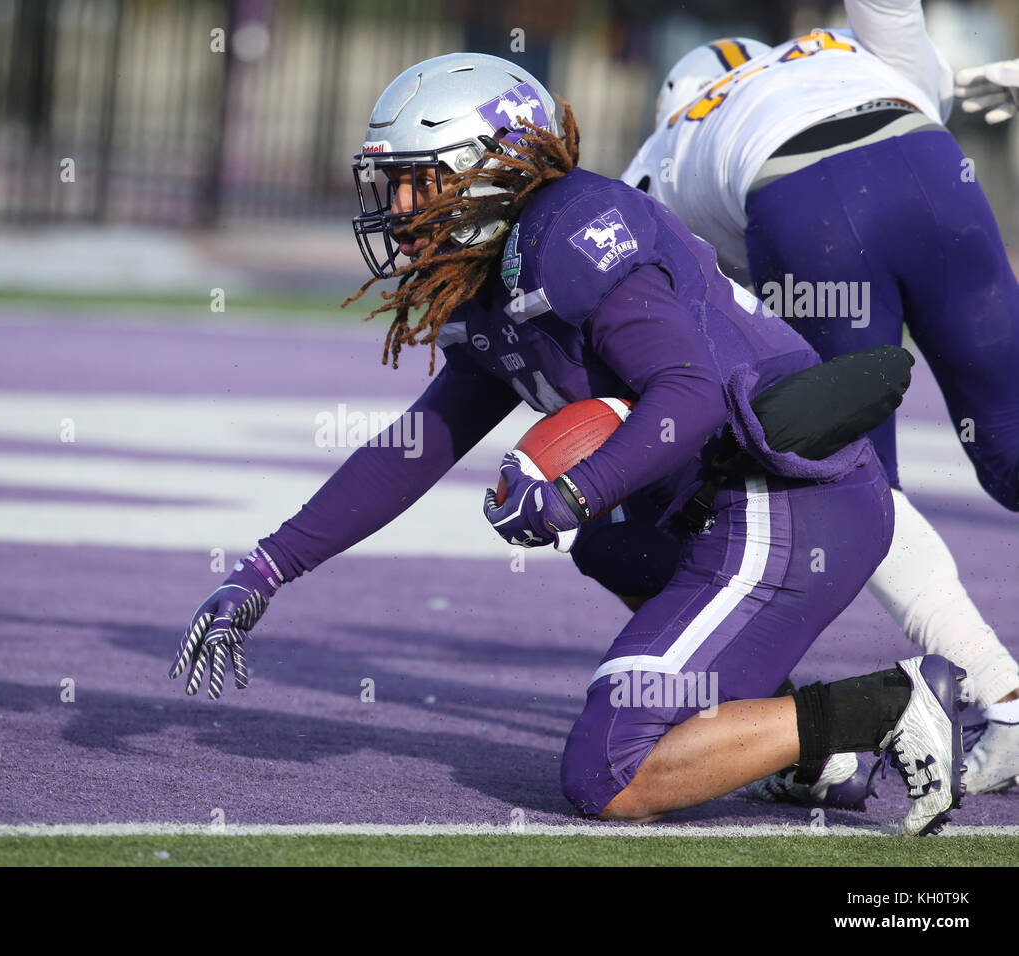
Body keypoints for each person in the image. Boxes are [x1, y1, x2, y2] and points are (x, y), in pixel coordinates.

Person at [171, 53, 966, 834]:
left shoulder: (569, 231)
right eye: (393, 184)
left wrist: (573, 492)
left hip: (783, 495)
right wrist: (268, 568)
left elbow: (689, 392)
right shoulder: (493, 286)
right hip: (722, 501)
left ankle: (890, 703)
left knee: (608, 773)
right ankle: (802, 753)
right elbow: (417, 445)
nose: (400, 206)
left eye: (421, 180)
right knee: (611, 547)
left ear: (488, 170)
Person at [621, 0, 1019, 795]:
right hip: (930, 163)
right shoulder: (835, 53)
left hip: (803, 202)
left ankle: (1000, 694)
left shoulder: (668, 148)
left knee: (860, 486)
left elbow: (643, 295)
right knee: (1013, 450)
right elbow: (898, 21)